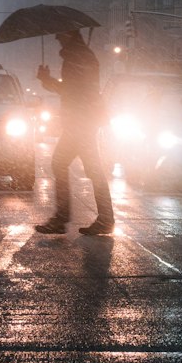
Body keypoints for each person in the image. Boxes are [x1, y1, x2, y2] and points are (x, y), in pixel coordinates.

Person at [34, 28, 114, 236]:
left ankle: (64, 218)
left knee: (62, 164)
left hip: (81, 120)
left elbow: (71, 90)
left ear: (70, 35)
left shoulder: (78, 57)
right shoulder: (79, 56)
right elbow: (75, 89)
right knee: (91, 168)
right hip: (83, 119)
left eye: (60, 34)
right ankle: (103, 218)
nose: (57, 36)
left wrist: (47, 80)